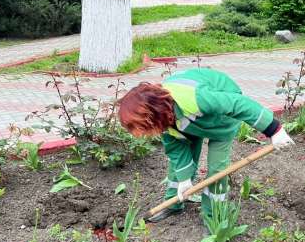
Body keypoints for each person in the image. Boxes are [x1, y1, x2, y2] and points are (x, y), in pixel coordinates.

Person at [118, 69, 294, 222]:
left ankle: (214, 215)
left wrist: (274, 129)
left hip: (221, 118)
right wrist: (185, 180)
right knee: (177, 169)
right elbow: (176, 151)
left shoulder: (194, 98)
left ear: (152, 114)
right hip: (185, 121)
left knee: (217, 169)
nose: (146, 134)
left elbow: (238, 104)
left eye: (143, 128)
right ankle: (173, 204)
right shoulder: (162, 120)